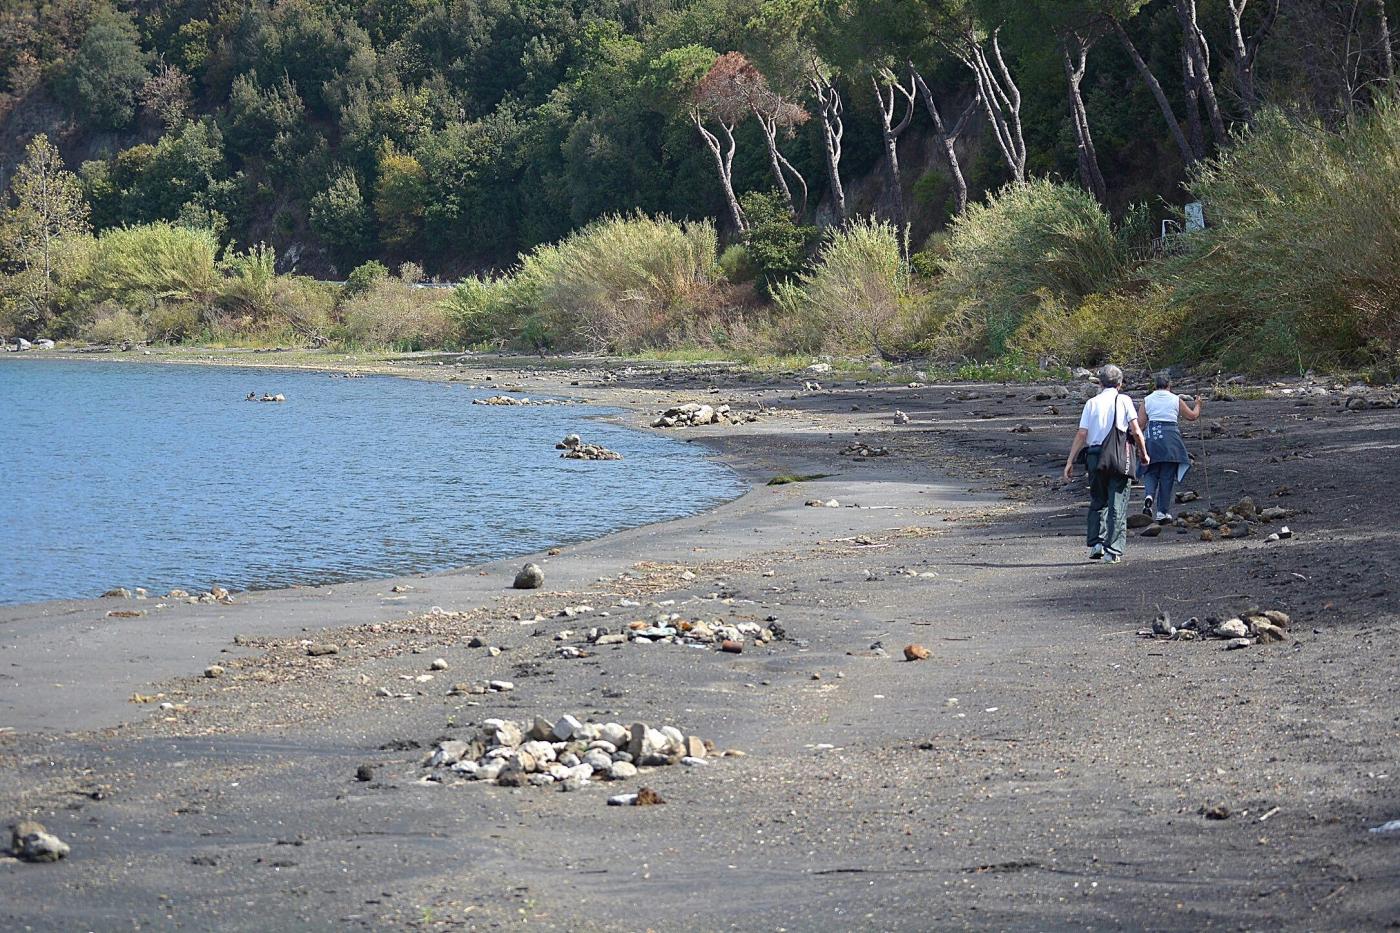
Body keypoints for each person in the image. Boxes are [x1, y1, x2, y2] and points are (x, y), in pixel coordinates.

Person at [1062, 364, 1150, 564]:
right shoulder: (1124, 400)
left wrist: (1070, 461)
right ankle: (1113, 550)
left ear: (1100, 383)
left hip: (1094, 455)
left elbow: (1082, 434)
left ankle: (1097, 544)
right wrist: (1143, 453)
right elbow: (1135, 431)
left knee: (1098, 499)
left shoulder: (1091, 403)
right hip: (1119, 455)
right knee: (1117, 502)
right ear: (1119, 384)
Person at [1136, 372, 1202, 522]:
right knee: (1167, 476)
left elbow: (1140, 424)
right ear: (1169, 385)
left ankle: (1149, 496)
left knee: (1150, 470)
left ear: (1155, 385)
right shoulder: (1175, 399)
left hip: (1152, 437)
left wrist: (1136, 443)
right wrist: (1198, 404)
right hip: (1171, 439)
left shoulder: (1146, 400)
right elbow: (1192, 416)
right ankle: (1162, 512)